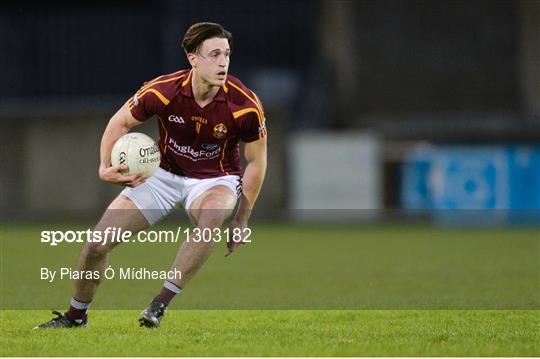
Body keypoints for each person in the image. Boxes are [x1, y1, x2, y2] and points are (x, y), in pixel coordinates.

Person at [35, 22, 267, 329]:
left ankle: (159, 304)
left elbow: (256, 160)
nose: (223, 62)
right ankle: (76, 317)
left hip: (216, 178)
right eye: (214, 54)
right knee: (96, 245)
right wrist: (104, 166)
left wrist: (241, 218)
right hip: (162, 174)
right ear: (192, 57)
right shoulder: (163, 90)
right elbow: (119, 123)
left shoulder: (245, 105)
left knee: (211, 219)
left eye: (226, 54)